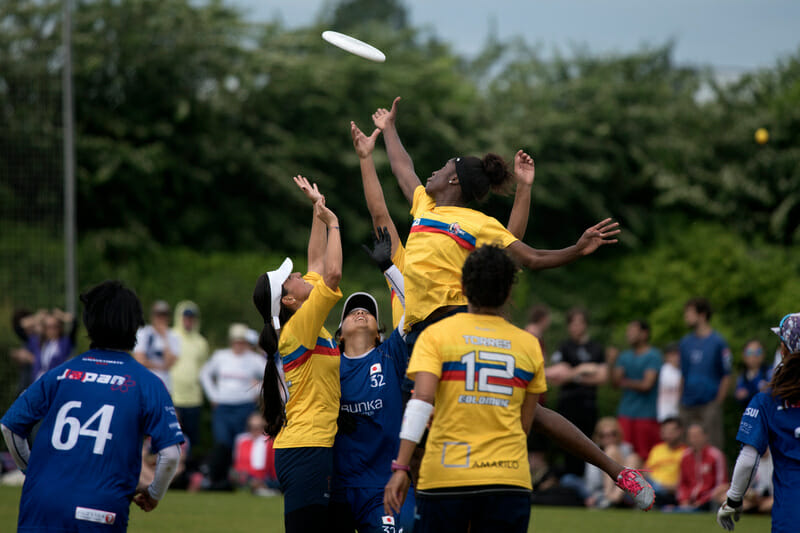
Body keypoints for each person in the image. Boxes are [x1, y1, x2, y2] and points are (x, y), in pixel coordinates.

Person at [383, 246, 652, 533]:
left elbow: (420, 402)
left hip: (447, 477)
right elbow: (524, 425)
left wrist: (401, 468)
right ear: (510, 292)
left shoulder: (436, 336)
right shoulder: (527, 345)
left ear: (462, 287)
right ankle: (618, 472)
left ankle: (617, 472)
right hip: (508, 480)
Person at [371, 97, 619, 346]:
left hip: (453, 322)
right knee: (411, 386)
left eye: (443, 168)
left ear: (455, 180)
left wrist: (576, 250)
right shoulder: (425, 205)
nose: (433, 173)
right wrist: (390, 128)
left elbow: (531, 257)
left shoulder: (479, 223)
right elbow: (403, 169)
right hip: (416, 328)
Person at [0, 280, 184, 532]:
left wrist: (31, 471)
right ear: (135, 325)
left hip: (40, 504)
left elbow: (10, 427)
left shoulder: (59, 373)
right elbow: (171, 454)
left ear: (89, 322)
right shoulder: (147, 383)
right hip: (100, 510)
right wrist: (154, 493)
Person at [252, 176, 343, 532]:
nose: (300, 276)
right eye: (290, 279)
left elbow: (317, 262)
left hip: (310, 447)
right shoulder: (300, 328)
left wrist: (316, 211)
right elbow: (332, 272)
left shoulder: (302, 322)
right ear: (289, 301)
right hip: (307, 448)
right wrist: (333, 223)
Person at [331, 290, 414, 533]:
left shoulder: (390, 353)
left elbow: (416, 303)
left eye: (368, 312)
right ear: (340, 335)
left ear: (378, 333)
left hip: (385, 486)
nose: (360, 312)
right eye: (352, 312)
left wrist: (389, 268)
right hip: (338, 489)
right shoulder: (329, 364)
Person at [717, 312, 800, 532]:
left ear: (783, 350)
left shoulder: (767, 400)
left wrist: (733, 500)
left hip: (791, 516)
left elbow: (747, 460)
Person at [199, 323, 266, 490]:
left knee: (241, 445)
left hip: (245, 406)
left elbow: (273, 377)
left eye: (242, 341)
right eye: (236, 341)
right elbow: (205, 374)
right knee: (222, 442)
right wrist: (213, 395)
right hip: (223, 407)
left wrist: (258, 389)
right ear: (231, 342)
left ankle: (239, 480)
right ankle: (218, 479)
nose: (239, 345)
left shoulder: (254, 359)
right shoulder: (221, 356)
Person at [546, 307, 607, 476]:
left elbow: (602, 377)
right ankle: (568, 479)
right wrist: (582, 369)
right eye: (573, 323)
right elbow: (556, 376)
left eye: (579, 323)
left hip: (588, 404)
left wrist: (571, 374)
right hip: (568, 403)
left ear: (586, 325)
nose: (576, 327)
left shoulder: (595, 348)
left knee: (589, 444)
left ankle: (586, 480)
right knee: (566, 443)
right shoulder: (564, 347)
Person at [679, 297, 732, 450]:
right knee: (686, 448)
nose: (686, 317)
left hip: (709, 403)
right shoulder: (685, 343)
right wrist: (680, 401)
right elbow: (683, 374)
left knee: (712, 446)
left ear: (702, 315)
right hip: (687, 404)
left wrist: (717, 403)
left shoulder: (718, 342)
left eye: (689, 312)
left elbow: (726, 374)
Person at [612, 319, 663, 459]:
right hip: (626, 413)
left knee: (645, 455)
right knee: (623, 453)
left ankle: (644, 482)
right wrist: (611, 362)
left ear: (644, 334)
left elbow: (647, 385)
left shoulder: (653, 355)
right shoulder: (624, 356)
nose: (629, 334)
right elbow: (615, 383)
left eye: (633, 331)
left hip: (646, 415)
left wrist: (626, 382)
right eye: (628, 331)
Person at [169, 300, 209, 459]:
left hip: (193, 399)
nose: (188, 321)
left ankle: (186, 475)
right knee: (171, 437)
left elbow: (203, 369)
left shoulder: (201, 342)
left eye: (191, 318)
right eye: (185, 317)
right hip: (173, 397)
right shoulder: (170, 337)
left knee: (192, 440)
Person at [14, 307, 78, 381]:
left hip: (56, 382)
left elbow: (75, 323)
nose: (52, 330)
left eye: (55, 326)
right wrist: (36, 319)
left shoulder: (65, 342)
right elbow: (19, 328)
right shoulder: (39, 342)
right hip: (38, 382)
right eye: (49, 327)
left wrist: (62, 316)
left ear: (60, 327)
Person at [676, 423, 728, 511]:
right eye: (691, 436)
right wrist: (684, 499)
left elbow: (722, 484)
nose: (693, 439)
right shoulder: (685, 456)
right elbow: (682, 483)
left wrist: (702, 501)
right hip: (689, 500)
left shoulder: (715, 455)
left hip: (710, 499)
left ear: (705, 436)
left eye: (696, 436)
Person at [133, 300, 181, 393]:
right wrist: (160, 366)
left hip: (165, 386)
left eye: (164, 315)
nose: (161, 318)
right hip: (144, 384)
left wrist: (164, 337)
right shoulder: (143, 333)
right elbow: (140, 360)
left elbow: (169, 363)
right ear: (152, 316)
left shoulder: (173, 336)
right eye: (158, 315)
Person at [232, 412, 279, 496]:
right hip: (243, 477)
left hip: (264, 478)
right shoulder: (241, 440)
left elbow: (272, 467)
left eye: (258, 427)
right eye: (251, 427)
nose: (254, 431)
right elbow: (237, 463)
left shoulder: (269, 441)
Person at [644, 417, 686, 506]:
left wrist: (664, 486)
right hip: (651, 486)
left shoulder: (686, 452)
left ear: (680, 431)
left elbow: (686, 480)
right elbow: (646, 470)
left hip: (670, 491)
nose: (668, 434)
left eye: (671, 431)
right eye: (665, 431)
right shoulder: (657, 449)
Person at [733, 339, 771, 408]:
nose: (754, 356)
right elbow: (739, 394)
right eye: (750, 352)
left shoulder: (769, 372)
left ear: (763, 354)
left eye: (758, 352)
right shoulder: (743, 376)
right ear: (743, 356)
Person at [657, 343, 682, 422]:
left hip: (678, 411)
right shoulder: (664, 370)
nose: (676, 358)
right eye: (672, 355)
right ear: (666, 357)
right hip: (665, 412)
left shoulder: (681, 370)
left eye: (678, 355)